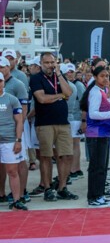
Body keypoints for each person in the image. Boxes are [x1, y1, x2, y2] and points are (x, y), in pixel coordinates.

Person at [30, 52, 78, 201]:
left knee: (67, 155)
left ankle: (62, 187)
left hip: (63, 122)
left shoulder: (59, 76)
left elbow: (69, 92)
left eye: (53, 62)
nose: (51, 65)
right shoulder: (36, 78)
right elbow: (42, 98)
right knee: (46, 156)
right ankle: (48, 188)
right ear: (41, 64)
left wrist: (59, 74)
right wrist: (60, 96)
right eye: (47, 63)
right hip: (45, 123)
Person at [82, 66, 110, 208]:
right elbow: (93, 114)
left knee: (102, 166)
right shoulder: (95, 92)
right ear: (95, 77)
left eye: (107, 76)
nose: (105, 78)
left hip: (103, 132)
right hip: (96, 133)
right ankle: (94, 197)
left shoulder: (101, 91)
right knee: (97, 166)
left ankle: (100, 194)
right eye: (102, 76)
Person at [0, 72, 27, 210]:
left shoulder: (11, 99)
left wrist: (18, 140)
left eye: (0, 81)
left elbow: (19, 121)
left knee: (12, 171)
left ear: (3, 82)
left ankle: (16, 200)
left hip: (9, 140)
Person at [62, 64, 86, 181]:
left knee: (74, 145)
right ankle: (75, 169)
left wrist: (83, 120)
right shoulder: (72, 84)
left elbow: (84, 102)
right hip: (73, 117)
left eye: (71, 72)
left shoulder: (78, 85)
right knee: (74, 145)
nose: (69, 74)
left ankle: (74, 169)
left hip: (76, 117)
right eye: (68, 72)